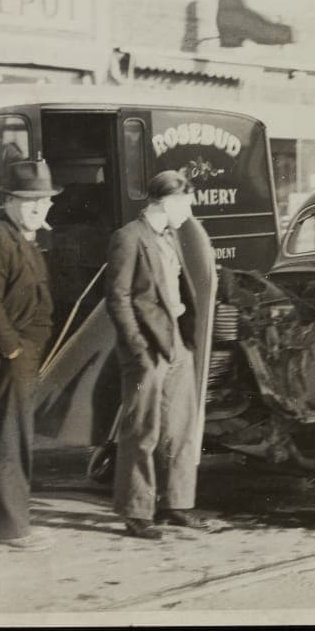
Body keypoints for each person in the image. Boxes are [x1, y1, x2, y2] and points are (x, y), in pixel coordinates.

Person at [0, 159, 60, 552]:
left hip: (24, 355)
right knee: (9, 441)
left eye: (45, 201)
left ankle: (14, 525)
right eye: (28, 200)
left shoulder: (24, 238)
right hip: (8, 358)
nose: (38, 208)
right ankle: (7, 532)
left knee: (17, 438)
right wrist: (14, 349)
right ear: (8, 201)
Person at [105, 170, 206, 539]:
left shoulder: (170, 237)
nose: (189, 212)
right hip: (147, 347)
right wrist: (137, 347)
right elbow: (117, 298)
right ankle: (136, 513)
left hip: (177, 340)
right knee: (142, 430)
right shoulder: (128, 238)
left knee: (180, 427)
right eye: (186, 203)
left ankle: (175, 504)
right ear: (167, 201)